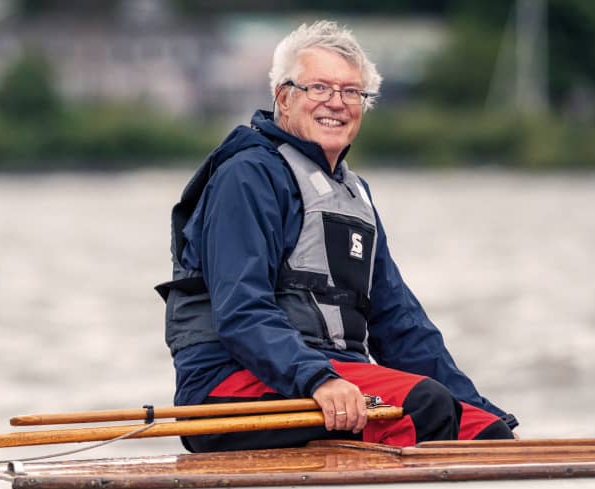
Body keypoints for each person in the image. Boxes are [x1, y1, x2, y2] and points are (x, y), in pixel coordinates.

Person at [156, 20, 517, 452]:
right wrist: (317, 378)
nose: (337, 103)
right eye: (320, 89)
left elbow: (401, 325)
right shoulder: (247, 176)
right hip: (229, 387)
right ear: (284, 98)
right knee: (425, 406)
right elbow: (242, 311)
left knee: (483, 431)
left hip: (329, 379)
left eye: (351, 92)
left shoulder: (354, 194)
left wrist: (487, 414)